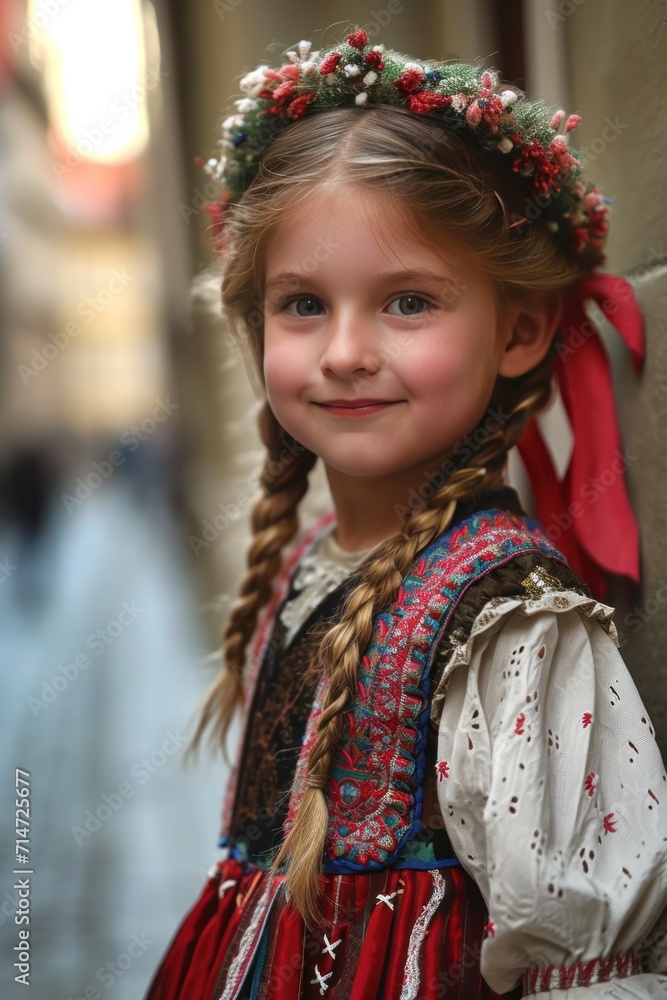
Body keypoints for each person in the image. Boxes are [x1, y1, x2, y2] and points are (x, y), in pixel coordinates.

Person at [143, 27, 667, 1000]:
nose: (344, 350)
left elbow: (584, 961)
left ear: (518, 329)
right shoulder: (307, 565)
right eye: (303, 304)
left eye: (408, 302)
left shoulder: (509, 623)